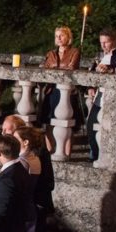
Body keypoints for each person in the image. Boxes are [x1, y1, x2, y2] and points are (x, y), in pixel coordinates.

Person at [38, 26, 81, 154]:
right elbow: (45, 69)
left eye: (61, 35)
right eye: (56, 36)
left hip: (66, 91)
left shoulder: (74, 52)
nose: (58, 38)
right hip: (52, 90)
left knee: (66, 122)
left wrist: (53, 69)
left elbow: (71, 68)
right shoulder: (51, 53)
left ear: (68, 37)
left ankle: (66, 153)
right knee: (49, 121)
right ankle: (49, 150)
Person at [86, 28, 116, 162]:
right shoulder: (100, 55)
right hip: (99, 96)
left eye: (106, 42)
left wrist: (110, 69)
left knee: (106, 126)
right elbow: (93, 72)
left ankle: (102, 155)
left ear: (115, 41)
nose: (103, 45)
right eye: (101, 42)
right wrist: (91, 86)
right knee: (91, 124)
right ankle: (94, 153)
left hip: (112, 96)